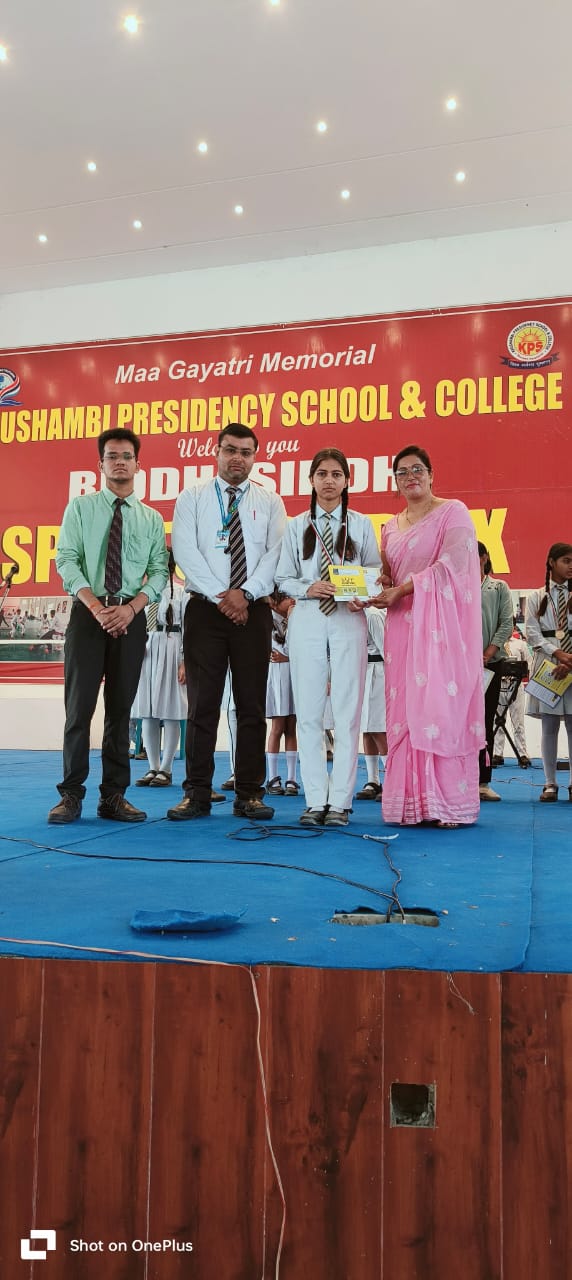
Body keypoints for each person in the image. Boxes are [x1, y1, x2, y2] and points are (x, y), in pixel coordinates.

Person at [48, 428, 168, 824]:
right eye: (112, 456)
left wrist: (131, 609)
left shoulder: (151, 519)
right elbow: (67, 560)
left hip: (130, 618)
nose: (120, 462)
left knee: (120, 711)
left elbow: (158, 572)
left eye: (126, 456)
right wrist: (97, 608)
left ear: (138, 464)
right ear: (100, 464)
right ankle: (71, 795)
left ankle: (113, 796)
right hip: (88, 616)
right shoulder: (80, 509)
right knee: (78, 708)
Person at [169, 422, 287, 821]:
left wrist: (246, 593)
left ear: (255, 457)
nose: (238, 458)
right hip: (206, 609)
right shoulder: (192, 497)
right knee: (203, 705)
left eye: (246, 452)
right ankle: (197, 793)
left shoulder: (270, 500)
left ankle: (250, 793)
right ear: (216, 452)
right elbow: (186, 551)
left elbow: (274, 554)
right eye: (231, 450)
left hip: (253, 610)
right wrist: (223, 596)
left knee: (251, 706)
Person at [369, 444, 483, 828]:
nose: (410, 476)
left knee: (439, 706)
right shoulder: (389, 527)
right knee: (403, 710)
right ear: (395, 481)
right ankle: (409, 804)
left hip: (441, 630)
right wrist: (378, 583)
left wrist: (402, 589)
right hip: (401, 629)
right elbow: (388, 572)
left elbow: (454, 566)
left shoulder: (453, 512)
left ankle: (446, 804)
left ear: (432, 474)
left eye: (417, 469)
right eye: (401, 472)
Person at [276, 447, 380, 827]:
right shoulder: (296, 525)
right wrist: (308, 588)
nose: (329, 481)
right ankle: (315, 799)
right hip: (307, 619)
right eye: (322, 474)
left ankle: (340, 801)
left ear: (347, 480)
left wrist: (361, 594)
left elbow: (374, 572)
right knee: (307, 712)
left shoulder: (361, 525)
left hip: (348, 619)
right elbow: (282, 577)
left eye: (337, 474)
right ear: (311, 480)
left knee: (348, 711)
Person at [131, 550, 187, 788]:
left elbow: (188, 628)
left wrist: (184, 660)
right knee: (148, 711)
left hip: (171, 647)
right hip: (147, 650)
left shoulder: (181, 593)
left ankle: (166, 768)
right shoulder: (142, 594)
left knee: (170, 709)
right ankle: (152, 766)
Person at [525, 542, 572, 802]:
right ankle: (550, 783)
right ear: (552, 562)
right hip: (548, 665)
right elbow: (532, 633)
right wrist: (556, 653)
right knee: (549, 725)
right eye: (566, 561)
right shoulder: (536, 596)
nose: (571, 566)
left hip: (571, 664)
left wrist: (568, 660)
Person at [477, 542, 514, 800]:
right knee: (458, 723)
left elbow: (506, 623)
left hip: (490, 665)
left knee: (485, 721)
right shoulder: (456, 586)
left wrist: (487, 653)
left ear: (485, 557)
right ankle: (458, 780)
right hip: (459, 665)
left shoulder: (498, 587)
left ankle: (483, 781)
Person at [265, 591, 299, 796]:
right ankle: (273, 776)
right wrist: (288, 657)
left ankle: (292, 778)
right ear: (275, 602)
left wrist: (290, 658)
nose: (292, 601)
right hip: (277, 676)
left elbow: (295, 649)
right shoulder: (269, 621)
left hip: (293, 675)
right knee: (277, 726)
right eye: (287, 598)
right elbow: (278, 652)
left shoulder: (294, 619)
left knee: (292, 726)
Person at [355, 606, 387, 799]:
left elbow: (386, 649)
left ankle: (392, 777)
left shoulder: (373, 615)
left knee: (377, 726)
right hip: (363, 671)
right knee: (366, 727)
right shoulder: (356, 614)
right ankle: (373, 779)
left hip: (378, 671)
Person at [492, 621, 531, 766]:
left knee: (518, 722)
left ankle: (522, 753)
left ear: (514, 627)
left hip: (516, 685)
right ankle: (497, 753)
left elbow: (529, 664)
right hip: (498, 684)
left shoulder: (521, 644)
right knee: (497, 720)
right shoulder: (494, 645)